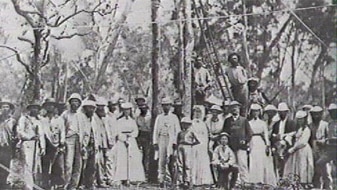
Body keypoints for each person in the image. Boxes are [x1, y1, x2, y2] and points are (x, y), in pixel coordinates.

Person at [113, 102, 145, 185]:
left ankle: (131, 177)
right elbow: (117, 131)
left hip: (131, 140)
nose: (127, 112)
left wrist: (130, 136)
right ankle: (122, 177)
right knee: (122, 159)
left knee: (133, 159)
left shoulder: (132, 121)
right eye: (125, 110)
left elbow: (136, 131)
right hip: (122, 141)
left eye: (128, 110)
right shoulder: (119, 121)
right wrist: (123, 139)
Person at [153, 97, 181, 187]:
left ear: (170, 106)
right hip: (161, 139)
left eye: (168, 105)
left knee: (171, 160)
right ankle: (161, 180)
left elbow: (177, 131)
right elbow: (156, 130)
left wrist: (175, 143)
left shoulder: (174, 117)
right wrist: (155, 142)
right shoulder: (159, 117)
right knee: (161, 160)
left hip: (171, 140)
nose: (166, 107)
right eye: (164, 105)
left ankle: (172, 180)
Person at [17, 102, 46, 190]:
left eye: (36, 108)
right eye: (33, 108)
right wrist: (29, 137)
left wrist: (43, 147)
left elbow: (41, 135)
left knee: (35, 166)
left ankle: (33, 184)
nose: (35, 110)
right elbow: (20, 131)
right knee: (28, 165)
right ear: (29, 109)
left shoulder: (39, 120)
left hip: (36, 145)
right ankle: (28, 187)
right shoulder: (24, 119)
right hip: (27, 144)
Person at [223, 101, 252, 183]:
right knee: (232, 164)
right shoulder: (227, 121)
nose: (235, 109)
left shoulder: (244, 120)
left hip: (241, 146)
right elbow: (224, 132)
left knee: (242, 164)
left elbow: (249, 133)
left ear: (239, 109)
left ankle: (245, 181)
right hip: (231, 146)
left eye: (236, 107)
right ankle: (236, 182)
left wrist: (245, 140)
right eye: (233, 108)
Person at [247, 104, 277, 186]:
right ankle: (254, 180)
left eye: (257, 111)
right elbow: (247, 134)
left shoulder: (263, 123)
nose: (255, 113)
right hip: (252, 141)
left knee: (261, 160)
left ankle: (262, 179)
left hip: (260, 142)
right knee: (253, 160)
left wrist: (267, 145)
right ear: (251, 112)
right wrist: (247, 144)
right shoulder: (249, 123)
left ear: (259, 112)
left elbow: (266, 135)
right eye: (253, 111)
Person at [39, 98, 65, 189]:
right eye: (48, 105)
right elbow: (41, 133)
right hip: (46, 145)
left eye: (52, 105)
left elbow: (62, 132)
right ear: (45, 107)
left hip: (57, 145)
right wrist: (42, 147)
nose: (50, 107)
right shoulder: (42, 119)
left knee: (58, 166)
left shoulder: (59, 119)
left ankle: (57, 185)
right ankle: (45, 184)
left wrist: (61, 143)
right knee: (45, 165)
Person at [61, 93, 85, 189]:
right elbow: (62, 129)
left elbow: (85, 130)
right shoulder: (65, 114)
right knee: (68, 164)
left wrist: (84, 143)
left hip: (79, 140)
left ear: (79, 103)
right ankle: (65, 185)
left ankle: (73, 186)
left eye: (77, 101)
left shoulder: (81, 116)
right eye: (73, 101)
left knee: (78, 164)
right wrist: (62, 141)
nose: (75, 103)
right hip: (69, 140)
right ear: (70, 103)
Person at [283, 110, 314, 184]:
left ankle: (303, 182)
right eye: (299, 119)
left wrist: (293, 149)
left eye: (302, 119)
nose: (300, 121)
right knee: (295, 165)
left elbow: (303, 142)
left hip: (303, 150)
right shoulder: (299, 129)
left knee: (302, 166)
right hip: (297, 150)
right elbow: (294, 134)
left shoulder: (306, 129)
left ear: (304, 119)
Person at [313, 103, 337, 190]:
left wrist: (327, 141)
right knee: (319, 163)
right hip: (330, 150)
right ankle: (326, 187)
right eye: (331, 112)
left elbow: (331, 138)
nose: (332, 114)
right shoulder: (330, 123)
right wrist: (326, 141)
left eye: (334, 112)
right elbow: (328, 137)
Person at [270, 102, 296, 178]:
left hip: (287, 147)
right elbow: (273, 136)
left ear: (287, 112)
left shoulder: (291, 123)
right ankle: (279, 179)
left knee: (287, 166)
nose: (281, 114)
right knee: (278, 165)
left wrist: (283, 138)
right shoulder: (276, 124)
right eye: (280, 112)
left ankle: (286, 180)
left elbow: (293, 135)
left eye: (283, 112)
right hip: (277, 147)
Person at [93, 97, 114, 187]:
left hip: (105, 143)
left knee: (107, 162)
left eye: (103, 107)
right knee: (98, 163)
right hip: (98, 143)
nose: (101, 108)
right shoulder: (94, 118)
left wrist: (110, 141)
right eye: (99, 107)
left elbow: (108, 131)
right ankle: (98, 181)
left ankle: (107, 179)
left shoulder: (105, 118)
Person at [191, 105, 213, 186]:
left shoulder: (204, 124)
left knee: (203, 161)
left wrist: (205, 146)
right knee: (194, 161)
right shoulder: (191, 123)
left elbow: (206, 136)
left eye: (199, 112)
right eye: (196, 112)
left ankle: (203, 180)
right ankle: (193, 180)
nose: (197, 114)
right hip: (194, 145)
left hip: (203, 145)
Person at [79, 99, 98, 189]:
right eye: (89, 108)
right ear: (85, 109)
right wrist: (82, 145)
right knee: (81, 166)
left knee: (92, 166)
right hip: (84, 145)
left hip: (92, 145)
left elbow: (95, 133)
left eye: (93, 108)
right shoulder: (81, 118)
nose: (91, 110)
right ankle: (80, 184)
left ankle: (89, 184)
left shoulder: (93, 119)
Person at [309, 106, 329, 189]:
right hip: (313, 149)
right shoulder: (310, 125)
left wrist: (323, 141)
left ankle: (327, 186)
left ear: (321, 114)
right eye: (314, 114)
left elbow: (329, 137)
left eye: (317, 114)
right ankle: (316, 186)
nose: (316, 116)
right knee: (314, 170)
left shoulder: (325, 124)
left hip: (323, 150)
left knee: (325, 170)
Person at [177, 117, 200, 189]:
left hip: (188, 147)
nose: (185, 126)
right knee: (180, 164)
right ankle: (180, 180)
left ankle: (187, 180)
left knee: (187, 164)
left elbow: (198, 141)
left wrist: (190, 143)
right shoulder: (180, 132)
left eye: (186, 124)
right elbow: (177, 141)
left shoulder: (191, 132)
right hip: (180, 147)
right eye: (183, 124)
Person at [0, 100, 16, 188]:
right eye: (3, 107)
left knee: (6, 168)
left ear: (10, 109)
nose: (5, 109)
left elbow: (16, 134)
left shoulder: (12, 121)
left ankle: (3, 185)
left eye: (7, 107)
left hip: (7, 148)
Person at [135, 103, 152, 180]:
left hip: (148, 136)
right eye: (141, 108)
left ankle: (146, 171)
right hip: (140, 135)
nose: (143, 110)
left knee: (147, 154)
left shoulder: (150, 117)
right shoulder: (138, 117)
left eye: (144, 108)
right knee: (139, 154)